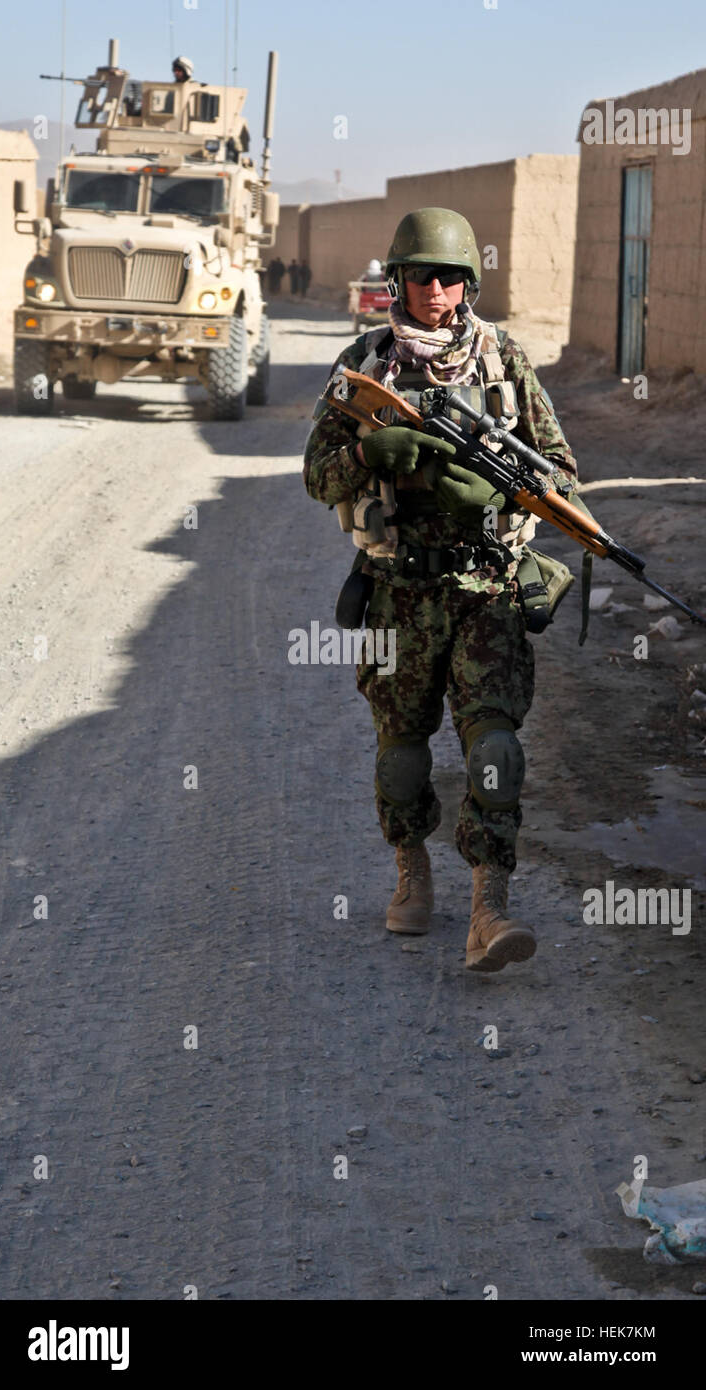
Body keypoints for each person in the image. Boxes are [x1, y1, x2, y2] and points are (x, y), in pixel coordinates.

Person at [303, 207, 579, 973]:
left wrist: (494, 491)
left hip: (486, 588)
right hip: (399, 592)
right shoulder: (366, 365)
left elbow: (560, 471)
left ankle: (489, 909)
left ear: (469, 284)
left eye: (450, 276)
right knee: (401, 760)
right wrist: (369, 447)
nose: (435, 289)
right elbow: (316, 475)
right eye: (420, 275)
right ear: (397, 280)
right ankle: (412, 874)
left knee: (496, 750)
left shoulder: (505, 361)